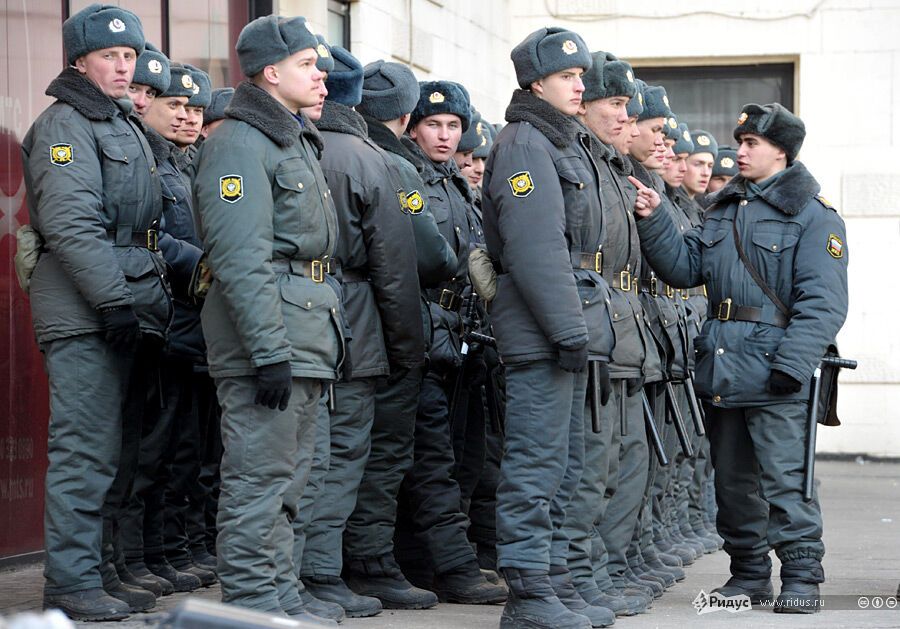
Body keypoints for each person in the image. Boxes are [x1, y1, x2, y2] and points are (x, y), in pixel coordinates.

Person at [634, 102, 848, 613]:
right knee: (732, 484)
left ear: (783, 152)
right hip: (725, 367)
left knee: (786, 481)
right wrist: (656, 218)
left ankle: (801, 579)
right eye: (741, 141)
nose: (740, 151)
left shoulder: (815, 217)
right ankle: (749, 576)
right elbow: (686, 269)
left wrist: (791, 367)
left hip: (777, 370)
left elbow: (824, 303)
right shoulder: (724, 210)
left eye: (752, 144)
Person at [192, 15, 343, 623]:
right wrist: (267, 350)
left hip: (303, 328)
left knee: (292, 480)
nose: (322, 76)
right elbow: (239, 256)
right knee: (259, 479)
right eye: (309, 64)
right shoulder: (238, 143)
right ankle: (255, 603)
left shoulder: (291, 138)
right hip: (271, 334)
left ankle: (279, 596)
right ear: (270, 72)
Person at [21, 4, 170, 621]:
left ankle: (102, 571)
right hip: (87, 308)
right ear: (79, 60)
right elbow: (71, 225)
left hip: (125, 301)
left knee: (117, 452)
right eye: (110, 55)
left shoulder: (121, 123)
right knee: (84, 452)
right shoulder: (65, 125)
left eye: (129, 56)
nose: (121, 65)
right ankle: (72, 583)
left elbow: (144, 227)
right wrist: (113, 301)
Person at [483, 27, 616, 629]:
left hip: (566, 321)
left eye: (580, 76)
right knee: (536, 462)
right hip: (544, 326)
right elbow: (536, 247)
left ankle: (553, 576)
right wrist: (567, 331)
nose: (580, 85)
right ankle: (528, 593)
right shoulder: (524, 142)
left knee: (563, 460)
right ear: (537, 82)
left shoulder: (558, 141)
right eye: (568, 76)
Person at [298, 44, 425, 620]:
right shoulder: (372, 159)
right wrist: (406, 346)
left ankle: (299, 570)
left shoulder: (294, 145)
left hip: (296, 315)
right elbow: (396, 266)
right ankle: (320, 573)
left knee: (299, 453)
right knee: (342, 453)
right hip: (356, 319)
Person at [343, 58, 457, 610]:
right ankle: (368, 562)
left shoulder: (320, 148)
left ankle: (341, 560)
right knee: (384, 451)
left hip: (333, 321)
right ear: (407, 115)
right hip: (389, 324)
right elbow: (432, 255)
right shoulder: (395, 167)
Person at [393, 79, 506, 605]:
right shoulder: (410, 177)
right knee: (432, 455)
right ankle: (450, 565)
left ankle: (435, 560)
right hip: (424, 334)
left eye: (453, 126)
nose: (444, 136)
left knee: (462, 455)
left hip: (461, 335)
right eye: (433, 125)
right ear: (413, 127)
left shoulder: (453, 183)